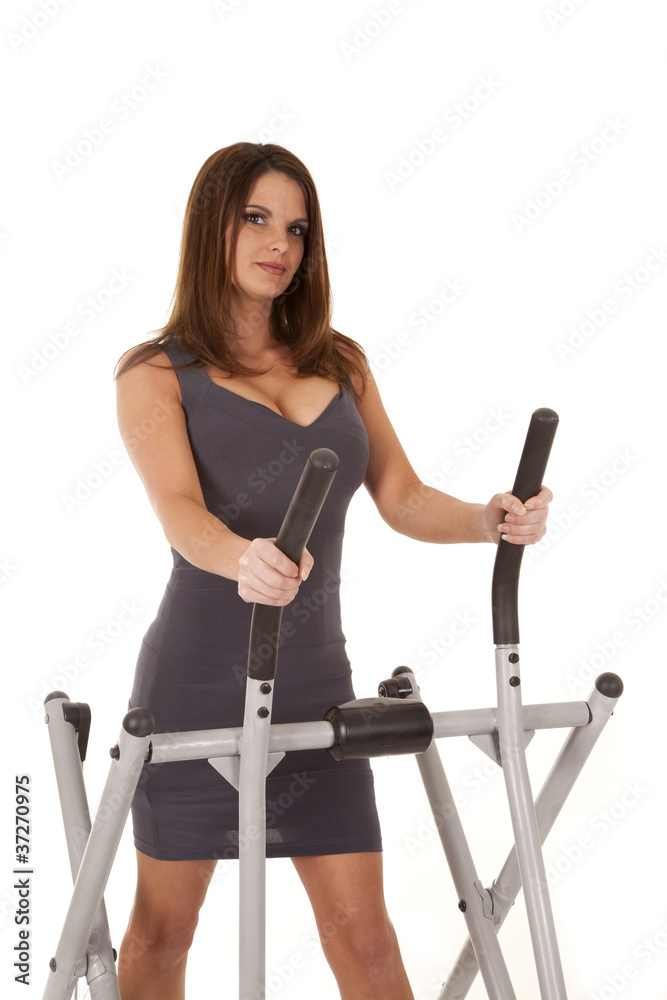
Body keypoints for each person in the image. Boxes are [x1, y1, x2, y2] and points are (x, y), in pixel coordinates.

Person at [113, 142, 552, 1000]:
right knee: (163, 936)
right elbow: (179, 513)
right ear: (210, 226)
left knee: (367, 943)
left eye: (297, 228)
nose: (279, 244)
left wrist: (488, 518)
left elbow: (402, 497)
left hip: (317, 688)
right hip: (195, 684)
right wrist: (242, 558)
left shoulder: (340, 361)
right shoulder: (155, 372)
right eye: (256, 218)